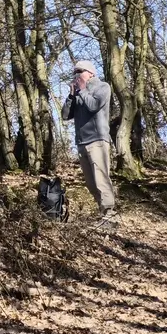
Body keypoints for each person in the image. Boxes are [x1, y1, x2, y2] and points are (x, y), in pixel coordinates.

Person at [62, 60, 118, 227]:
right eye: (75, 72)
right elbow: (65, 116)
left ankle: (110, 215)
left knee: (101, 178)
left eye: (81, 71)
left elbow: (94, 106)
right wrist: (72, 95)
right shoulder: (79, 92)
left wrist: (82, 90)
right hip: (81, 142)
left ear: (91, 73)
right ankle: (103, 214)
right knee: (91, 183)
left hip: (98, 140)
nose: (77, 75)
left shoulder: (102, 87)